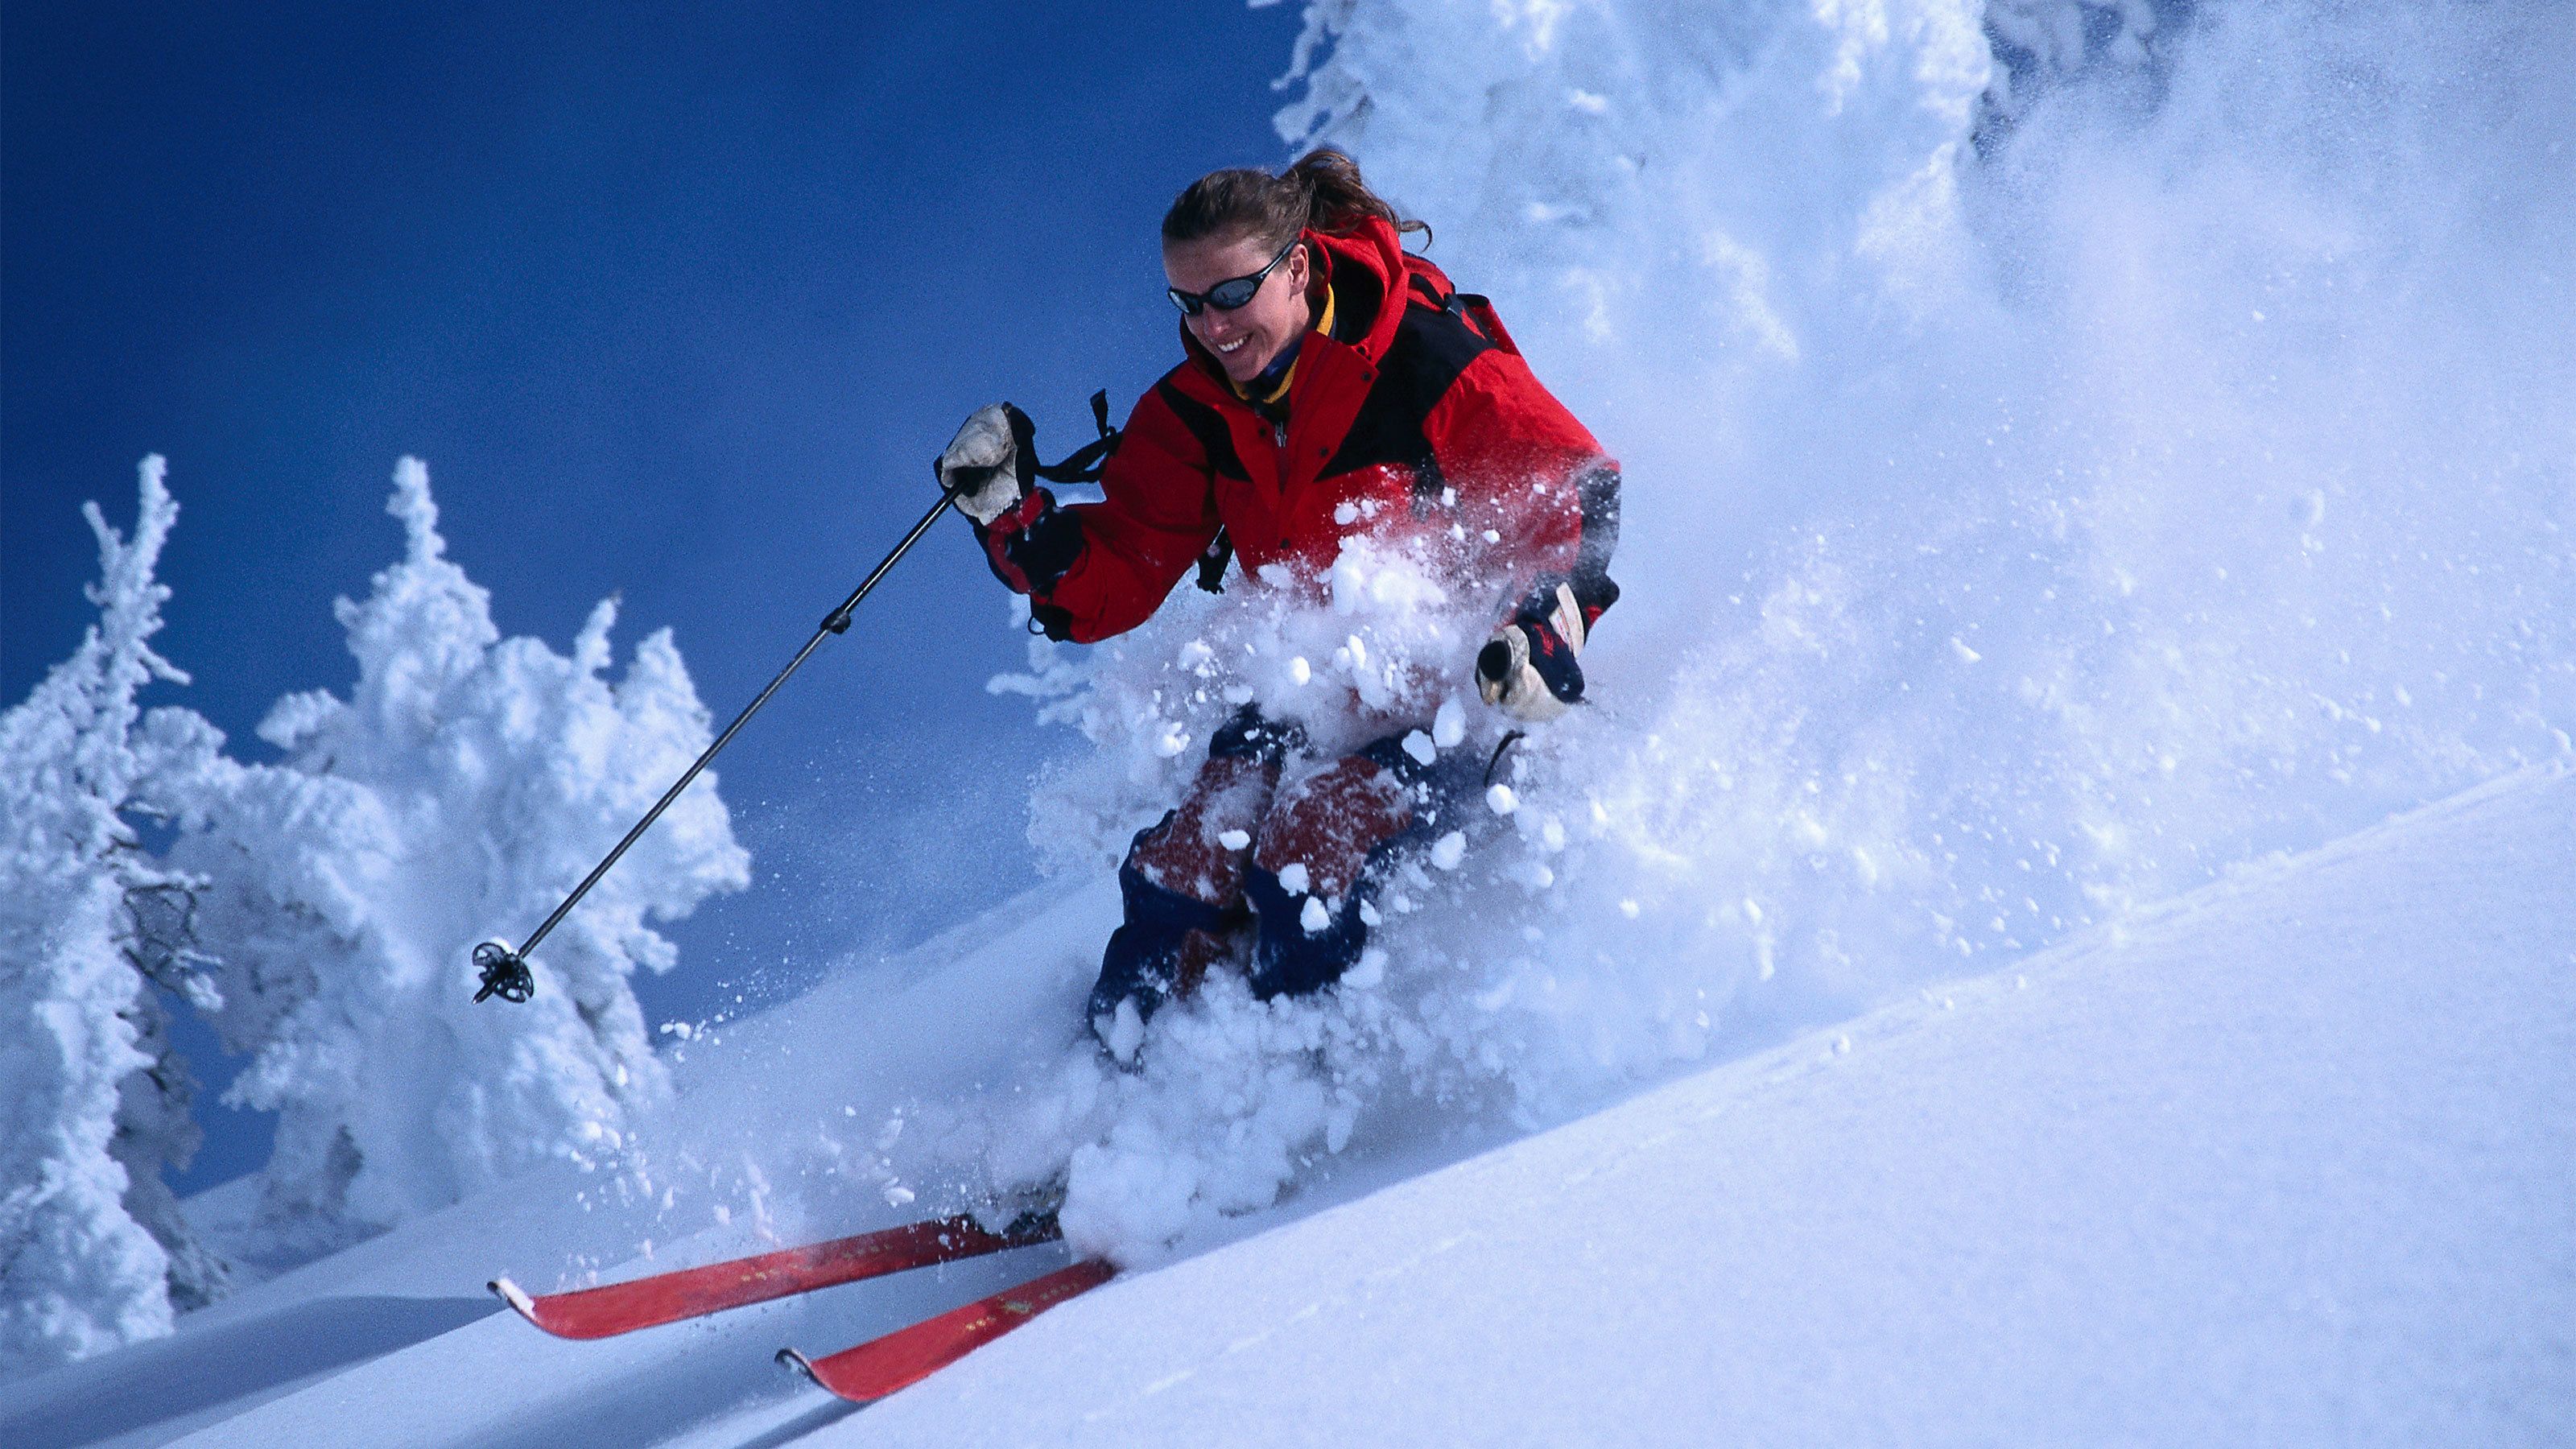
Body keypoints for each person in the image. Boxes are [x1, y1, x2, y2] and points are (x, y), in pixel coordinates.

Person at [935, 150, 1619, 1054]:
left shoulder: (1421, 357)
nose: (1210, 327)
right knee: (1188, 863)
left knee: (1309, 845)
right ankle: (1107, 1115)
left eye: (1229, 294)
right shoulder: (1195, 411)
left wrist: (1543, 625)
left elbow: (1572, 492)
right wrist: (1015, 520)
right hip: (1318, 691)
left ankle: (1280, 1106)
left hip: (1469, 695)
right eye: (1186, 303)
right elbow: (1122, 569)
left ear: (1296, 266)